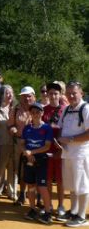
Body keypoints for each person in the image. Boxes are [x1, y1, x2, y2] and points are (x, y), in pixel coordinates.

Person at [57, 81, 89, 227]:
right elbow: (60, 127)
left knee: (82, 184)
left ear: (81, 93)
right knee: (71, 184)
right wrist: (59, 139)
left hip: (81, 154)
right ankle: (74, 211)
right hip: (67, 153)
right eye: (68, 93)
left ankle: (81, 216)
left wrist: (70, 139)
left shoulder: (86, 109)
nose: (71, 96)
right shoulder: (66, 110)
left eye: (74, 93)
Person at [20, 102, 53, 224]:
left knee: (42, 187)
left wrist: (32, 152)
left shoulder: (47, 128)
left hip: (41, 160)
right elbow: (22, 144)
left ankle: (48, 212)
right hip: (29, 160)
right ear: (30, 113)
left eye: (38, 112)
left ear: (42, 113)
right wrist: (26, 153)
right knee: (31, 186)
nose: (35, 114)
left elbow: (47, 146)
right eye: (33, 112)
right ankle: (32, 209)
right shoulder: (27, 128)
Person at [7, 86, 36, 204]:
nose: (26, 98)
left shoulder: (38, 109)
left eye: (29, 96)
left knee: (33, 170)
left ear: (34, 97)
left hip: (34, 145)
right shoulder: (15, 109)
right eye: (24, 96)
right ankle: (22, 194)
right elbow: (10, 124)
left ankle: (35, 196)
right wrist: (12, 129)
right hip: (19, 143)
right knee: (21, 170)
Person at [42, 82, 66, 216]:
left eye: (56, 93)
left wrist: (62, 146)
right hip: (46, 149)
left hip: (61, 150)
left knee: (60, 180)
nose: (53, 96)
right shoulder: (43, 110)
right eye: (50, 93)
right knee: (48, 179)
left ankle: (61, 205)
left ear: (60, 95)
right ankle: (49, 204)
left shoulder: (65, 110)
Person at [0, 85, 16, 199]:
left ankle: (12, 191)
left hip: (15, 144)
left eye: (11, 92)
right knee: (0, 168)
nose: (10, 95)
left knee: (13, 168)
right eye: (7, 93)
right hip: (1, 142)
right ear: (1, 95)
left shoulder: (15, 109)